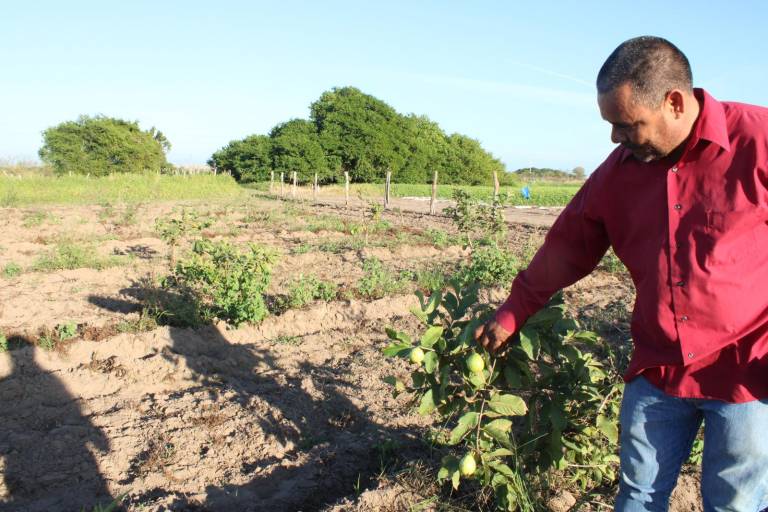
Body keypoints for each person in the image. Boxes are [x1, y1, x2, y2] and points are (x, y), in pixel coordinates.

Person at [473, 36, 768, 511]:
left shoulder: (758, 140)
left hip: (745, 372)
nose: (615, 138)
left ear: (674, 103)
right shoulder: (619, 172)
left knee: (733, 502)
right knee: (637, 495)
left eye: (627, 124)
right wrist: (514, 310)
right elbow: (569, 245)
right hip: (659, 367)